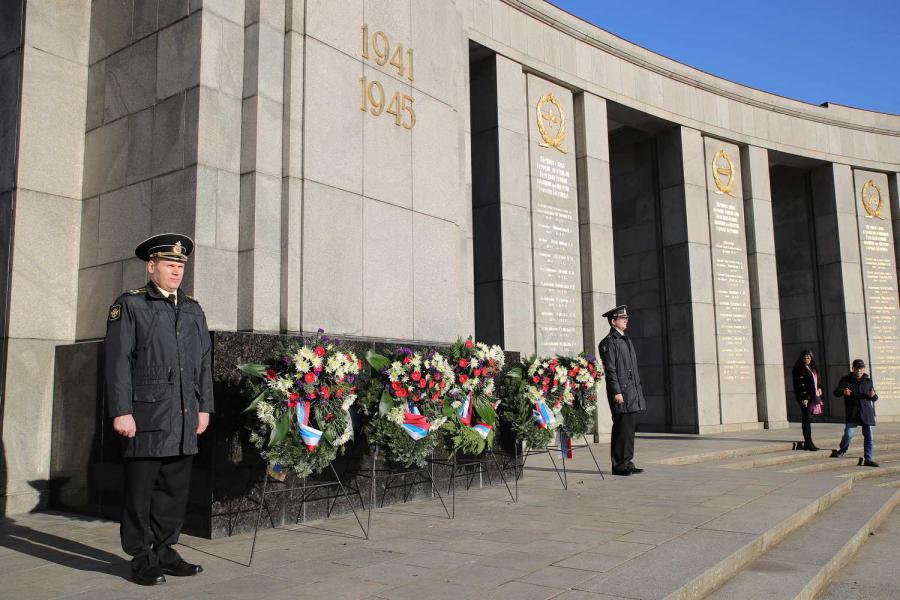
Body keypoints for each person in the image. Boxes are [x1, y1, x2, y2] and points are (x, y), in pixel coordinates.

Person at [104, 233, 214, 585]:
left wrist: (204, 407)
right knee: (140, 491)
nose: (176, 270)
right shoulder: (130, 304)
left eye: (181, 265)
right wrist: (121, 410)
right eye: (169, 264)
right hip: (146, 415)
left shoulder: (193, 309)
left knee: (173, 489)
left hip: (184, 414)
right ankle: (141, 556)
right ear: (151, 267)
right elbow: (118, 362)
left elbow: (204, 363)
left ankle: (165, 551)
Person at [598, 304, 646, 476]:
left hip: (632, 392)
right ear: (613, 321)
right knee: (621, 428)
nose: (626, 320)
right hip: (621, 393)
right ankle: (618, 465)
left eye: (626, 317)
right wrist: (616, 392)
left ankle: (628, 462)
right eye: (623, 318)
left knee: (629, 429)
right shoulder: (608, 342)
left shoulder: (626, 340)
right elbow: (610, 370)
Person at [830, 359, 878, 467]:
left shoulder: (868, 381)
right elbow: (836, 392)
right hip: (853, 413)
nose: (859, 371)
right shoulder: (846, 380)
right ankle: (842, 449)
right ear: (853, 369)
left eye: (861, 368)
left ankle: (868, 459)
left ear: (864, 369)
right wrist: (843, 391)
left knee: (869, 437)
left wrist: (873, 396)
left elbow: (874, 397)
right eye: (856, 368)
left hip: (866, 413)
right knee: (848, 434)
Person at [791, 349, 823, 451]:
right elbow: (799, 385)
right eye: (804, 358)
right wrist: (803, 398)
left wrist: (819, 387)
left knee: (809, 418)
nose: (807, 359)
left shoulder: (812, 368)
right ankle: (808, 442)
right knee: (806, 418)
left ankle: (808, 442)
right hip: (805, 397)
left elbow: (816, 380)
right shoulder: (798, 369)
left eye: (808, 357)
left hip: (813, 396)